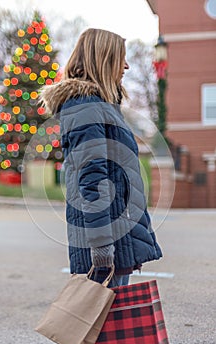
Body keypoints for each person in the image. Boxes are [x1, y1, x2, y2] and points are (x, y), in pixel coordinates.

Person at [40, 28, 162, 287]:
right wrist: (102, 245)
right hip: (107, 241)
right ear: (104, 60)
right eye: (121, 58)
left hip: (117, 234)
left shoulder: (101, 106)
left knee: (112, 323)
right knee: (104, 322)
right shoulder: (86, 107)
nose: (126, 66)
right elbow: (92, 179)